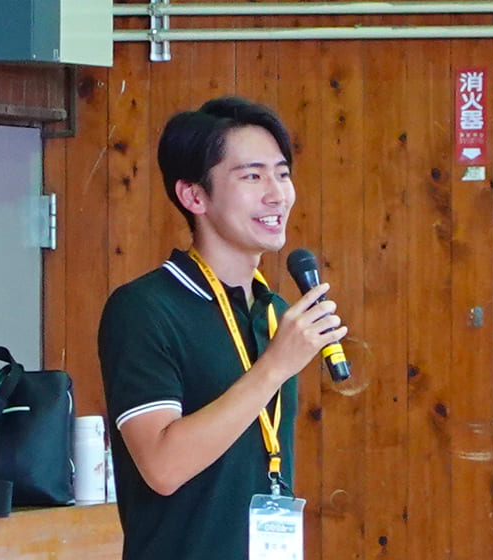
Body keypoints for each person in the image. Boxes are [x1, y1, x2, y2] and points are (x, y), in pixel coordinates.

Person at [98, 96, 348, 560]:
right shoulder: (144, 308)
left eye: (282, 174)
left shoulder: (273, 312)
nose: (277, 194)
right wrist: (274, 367)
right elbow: (162, 467)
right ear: (194, 196)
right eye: (252, 176)